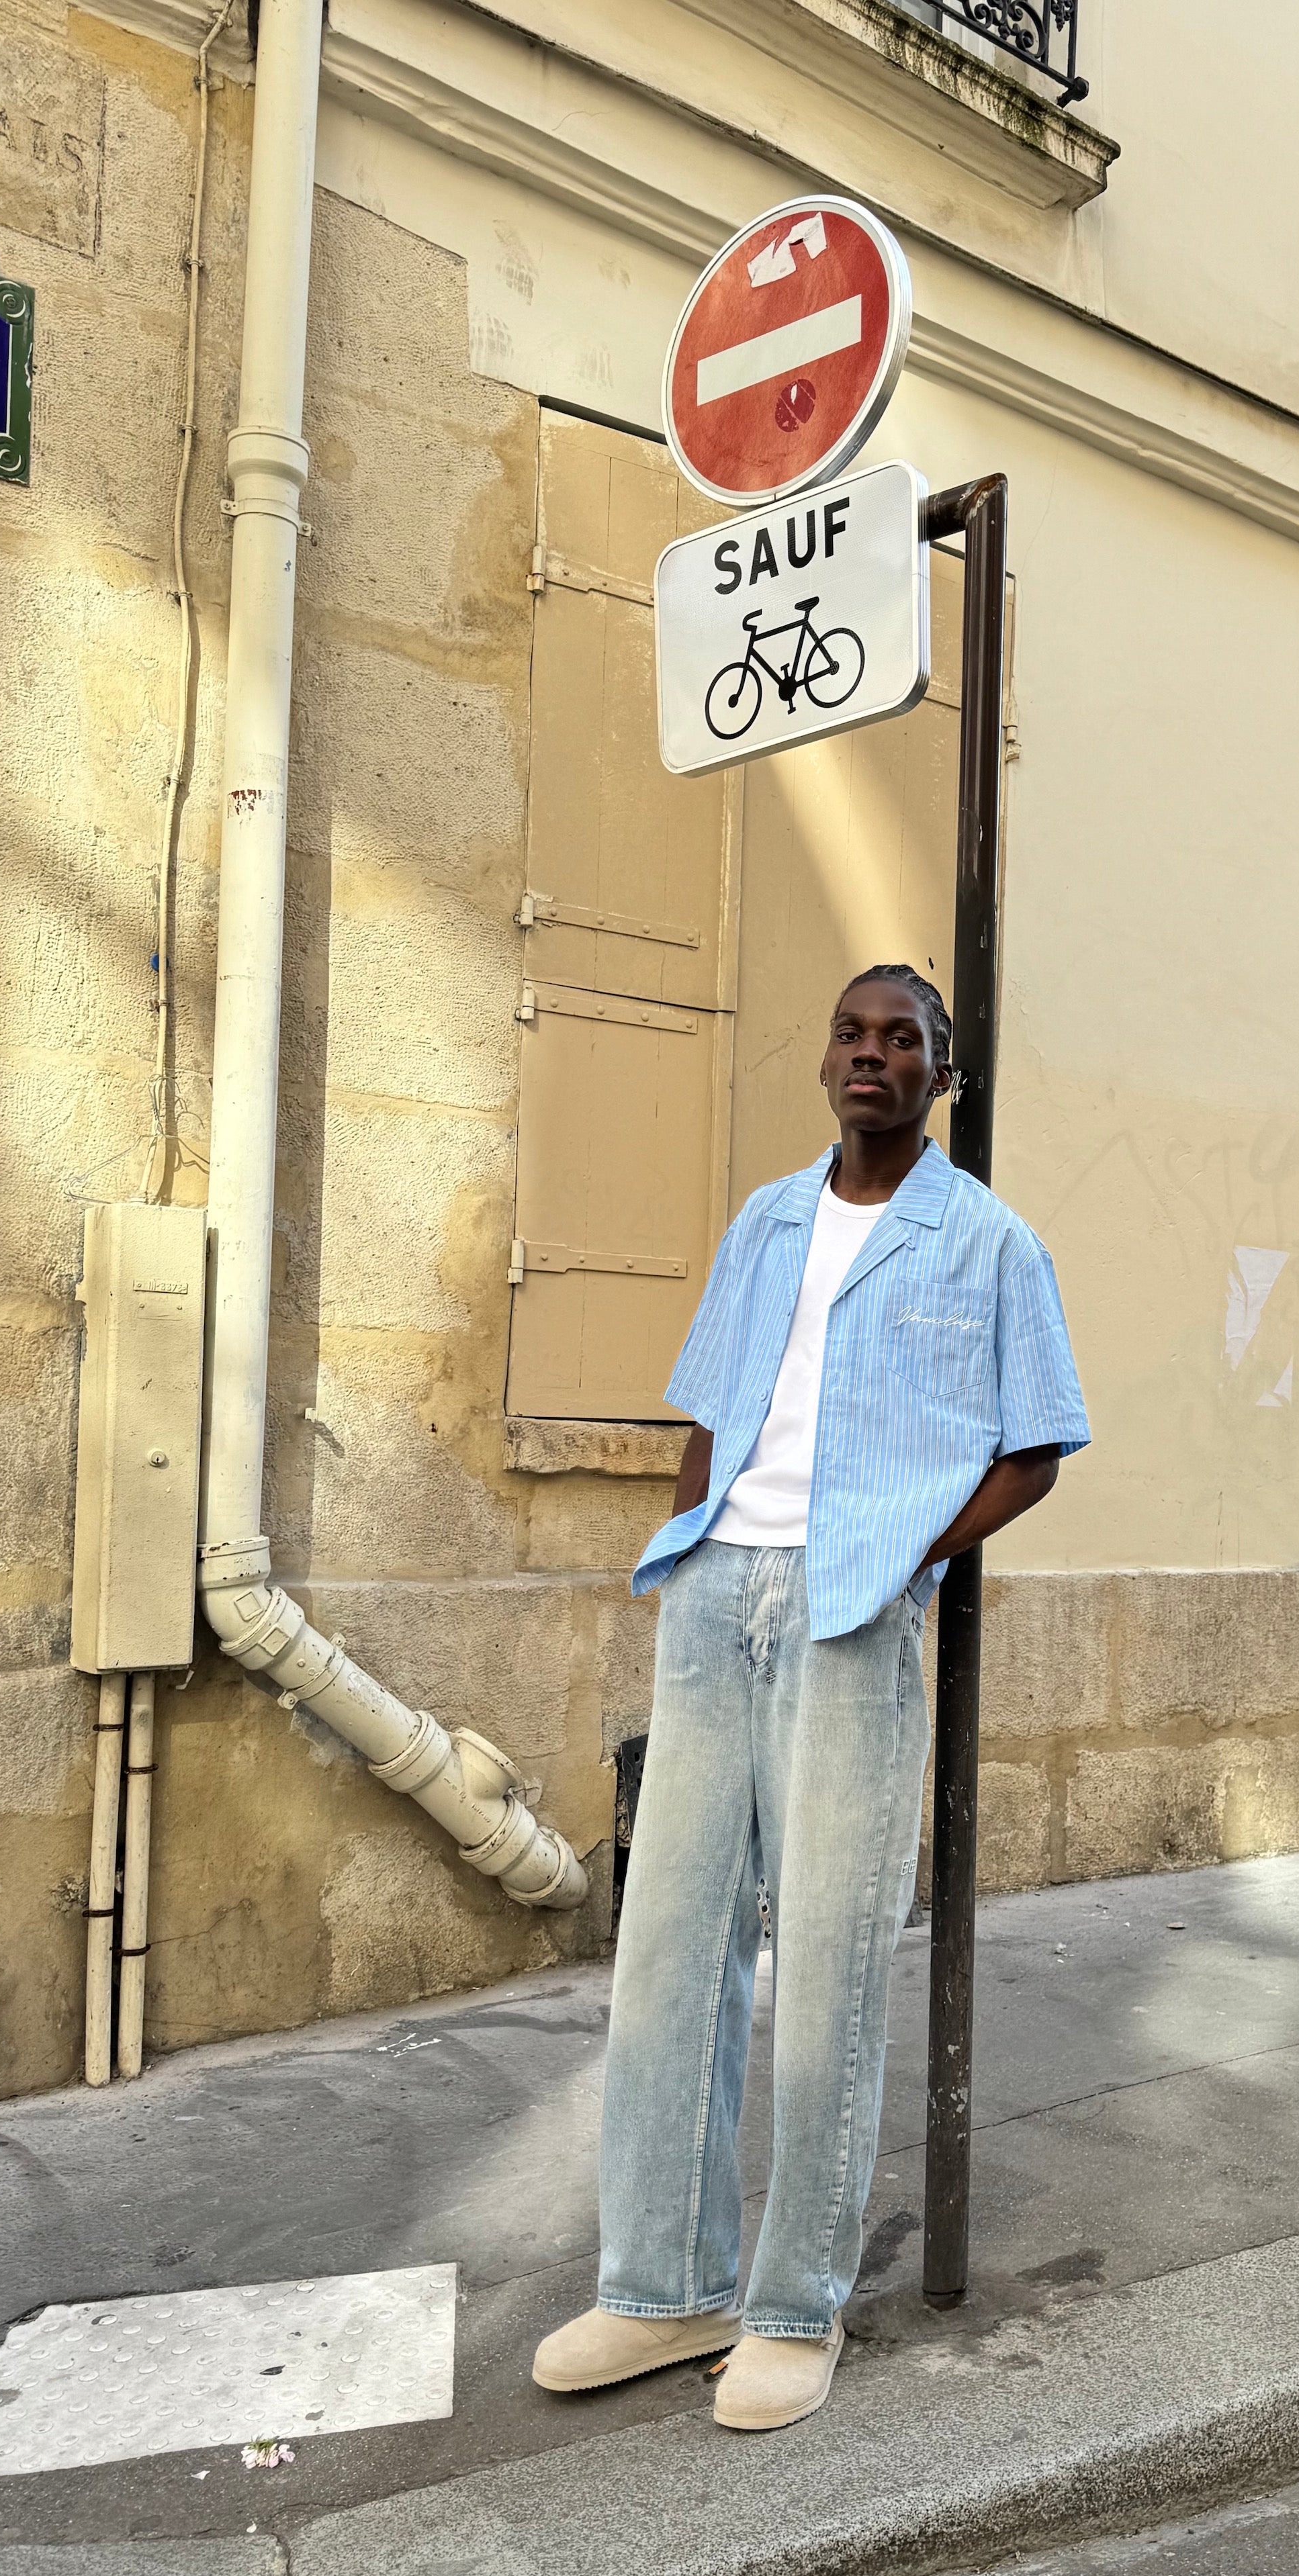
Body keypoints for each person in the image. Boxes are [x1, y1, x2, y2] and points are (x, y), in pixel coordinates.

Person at [530, 965, 1089, 2431]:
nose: (871, 1055)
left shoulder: (986, 1243)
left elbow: (1038, 1446)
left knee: (828, 1959)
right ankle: (662, 2285)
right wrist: (696, 1538)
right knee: (670, 1947)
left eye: (902, 1040)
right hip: (719, 1595)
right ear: (826, 1056)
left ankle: (791, 2308)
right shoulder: (768, 1220)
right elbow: (709, 1406)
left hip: (853, 1603)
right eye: (850, 1031)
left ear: (938, 1073)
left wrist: (906, 1551)